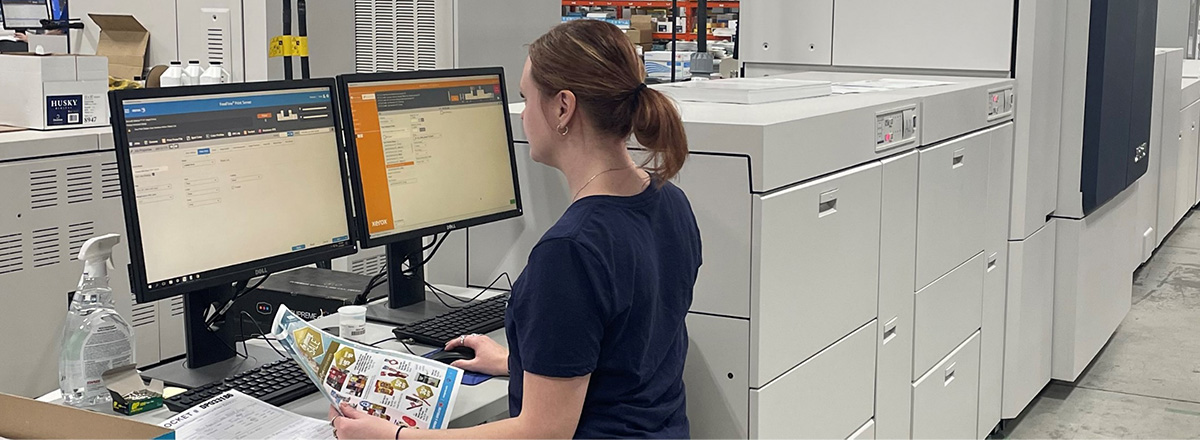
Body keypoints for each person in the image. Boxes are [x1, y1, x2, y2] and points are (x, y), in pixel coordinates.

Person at [330, 18, 702, 439]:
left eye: (526, 98)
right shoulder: (668, 202)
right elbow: (625, 355)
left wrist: (392, 437)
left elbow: (542, 433)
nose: (523, 114)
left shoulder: (571, 251)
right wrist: (518, 363)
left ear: (563, 107)